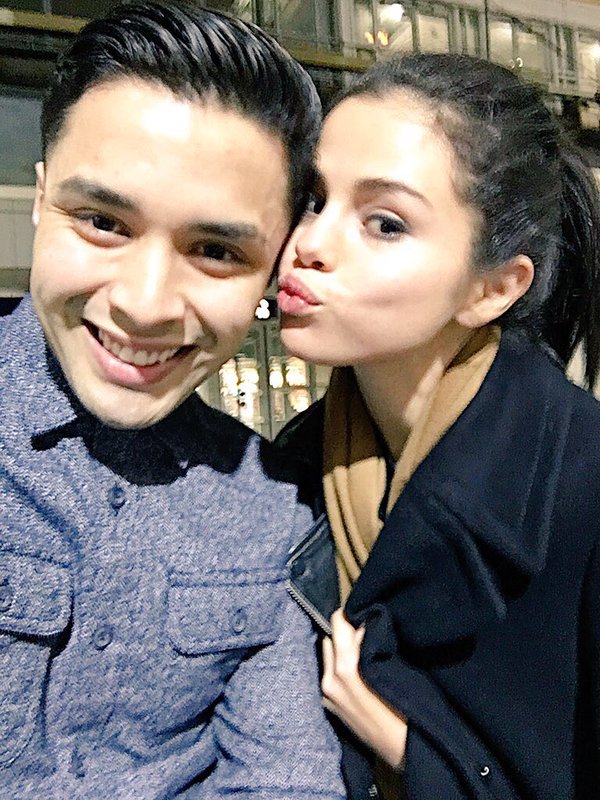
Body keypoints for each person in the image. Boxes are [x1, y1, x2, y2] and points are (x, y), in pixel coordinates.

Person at [0, 2, 346, 797]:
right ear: (40, 200)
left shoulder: (271, 503)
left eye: (216, 250)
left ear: (274, 272)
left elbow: (286, 780)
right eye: (102, 221)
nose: (146, 304)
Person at [277, 52, 600, 799]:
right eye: (313, 199)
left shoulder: (580, 480)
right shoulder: (294, 460)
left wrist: (415, 754)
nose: (310, 245)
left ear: (493, 288)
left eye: (384, 223)